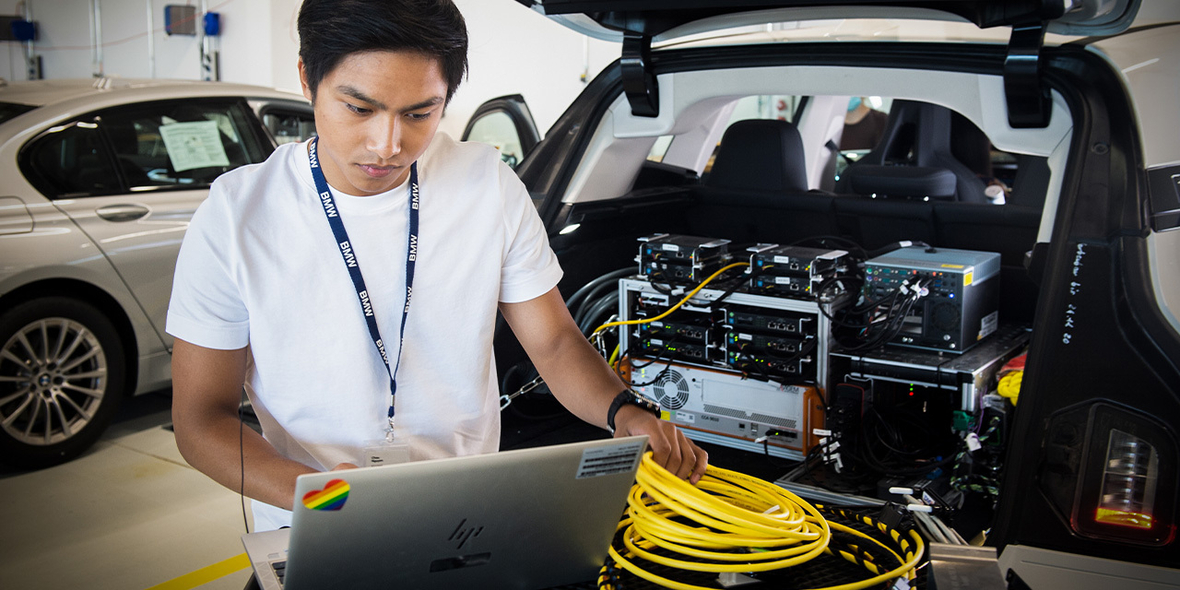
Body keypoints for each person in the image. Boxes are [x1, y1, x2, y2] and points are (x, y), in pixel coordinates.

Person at [167, 0, 707, 532]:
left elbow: (555, 342)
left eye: (420, 113)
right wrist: (324, 499)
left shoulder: (486, 184)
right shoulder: (238, 215)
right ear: (308, 78)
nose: (388, 144)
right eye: (359, 109)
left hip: (467, 513)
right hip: (309, 518)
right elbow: (201, 420)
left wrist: (626, 414)